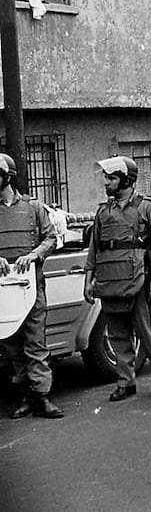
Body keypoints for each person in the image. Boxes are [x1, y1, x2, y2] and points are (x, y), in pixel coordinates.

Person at [83, 156, 151, 401]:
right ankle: (126, 382)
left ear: (126, 180)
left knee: (148, 333)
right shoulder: (103, 211)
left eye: (111, 178)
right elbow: (94, 249)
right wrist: (89, 280)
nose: (106, 182)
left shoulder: (147, 207)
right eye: (106, 178)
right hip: (110, 282)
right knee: (117, 335)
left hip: (139, 281)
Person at [0, 153, 63, 419]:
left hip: (31, 286)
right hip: (4, 290)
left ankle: (41, 397)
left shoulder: (34, 207)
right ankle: (25, 395)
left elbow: (51, 238)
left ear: (8, 176)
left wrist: (35, 254)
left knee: (35, 343)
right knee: (12, 344)